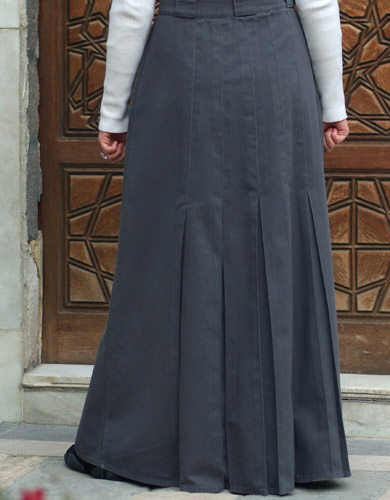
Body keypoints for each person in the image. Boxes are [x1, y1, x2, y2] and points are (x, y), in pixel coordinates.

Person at [64, 0, 351, 495]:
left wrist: (113, 111)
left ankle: (153, 444)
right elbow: (319, 4)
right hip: (275, 62)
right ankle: (292, 448)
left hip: (181, 65)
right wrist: (333, 104)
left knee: (164, 249)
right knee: (278, 242)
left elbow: (132, 9)